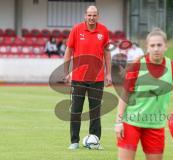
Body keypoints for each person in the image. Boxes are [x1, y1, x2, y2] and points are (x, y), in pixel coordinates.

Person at [115, 28, 173, 160]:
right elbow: (124, 95)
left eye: (159, 45)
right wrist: (118, 122)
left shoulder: (172, 67)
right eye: (152, 45)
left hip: (155, 126)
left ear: (166, 46)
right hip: (130, 123)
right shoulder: (137, 65)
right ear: (147, 47)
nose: (156, 49)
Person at [64, 5, 111, 150]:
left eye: (94, 15)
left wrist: (109, 73)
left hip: (97, 79)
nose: (91, 18)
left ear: (98, 16)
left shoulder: (103, 31)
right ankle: (74, 141)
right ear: (85, 15)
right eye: (89, 15)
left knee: (95, 112)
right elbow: (68, 50)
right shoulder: (76, 30)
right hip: (78, 78)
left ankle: (95, 140)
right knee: (76, 111)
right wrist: (66, 72)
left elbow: (107, 53)